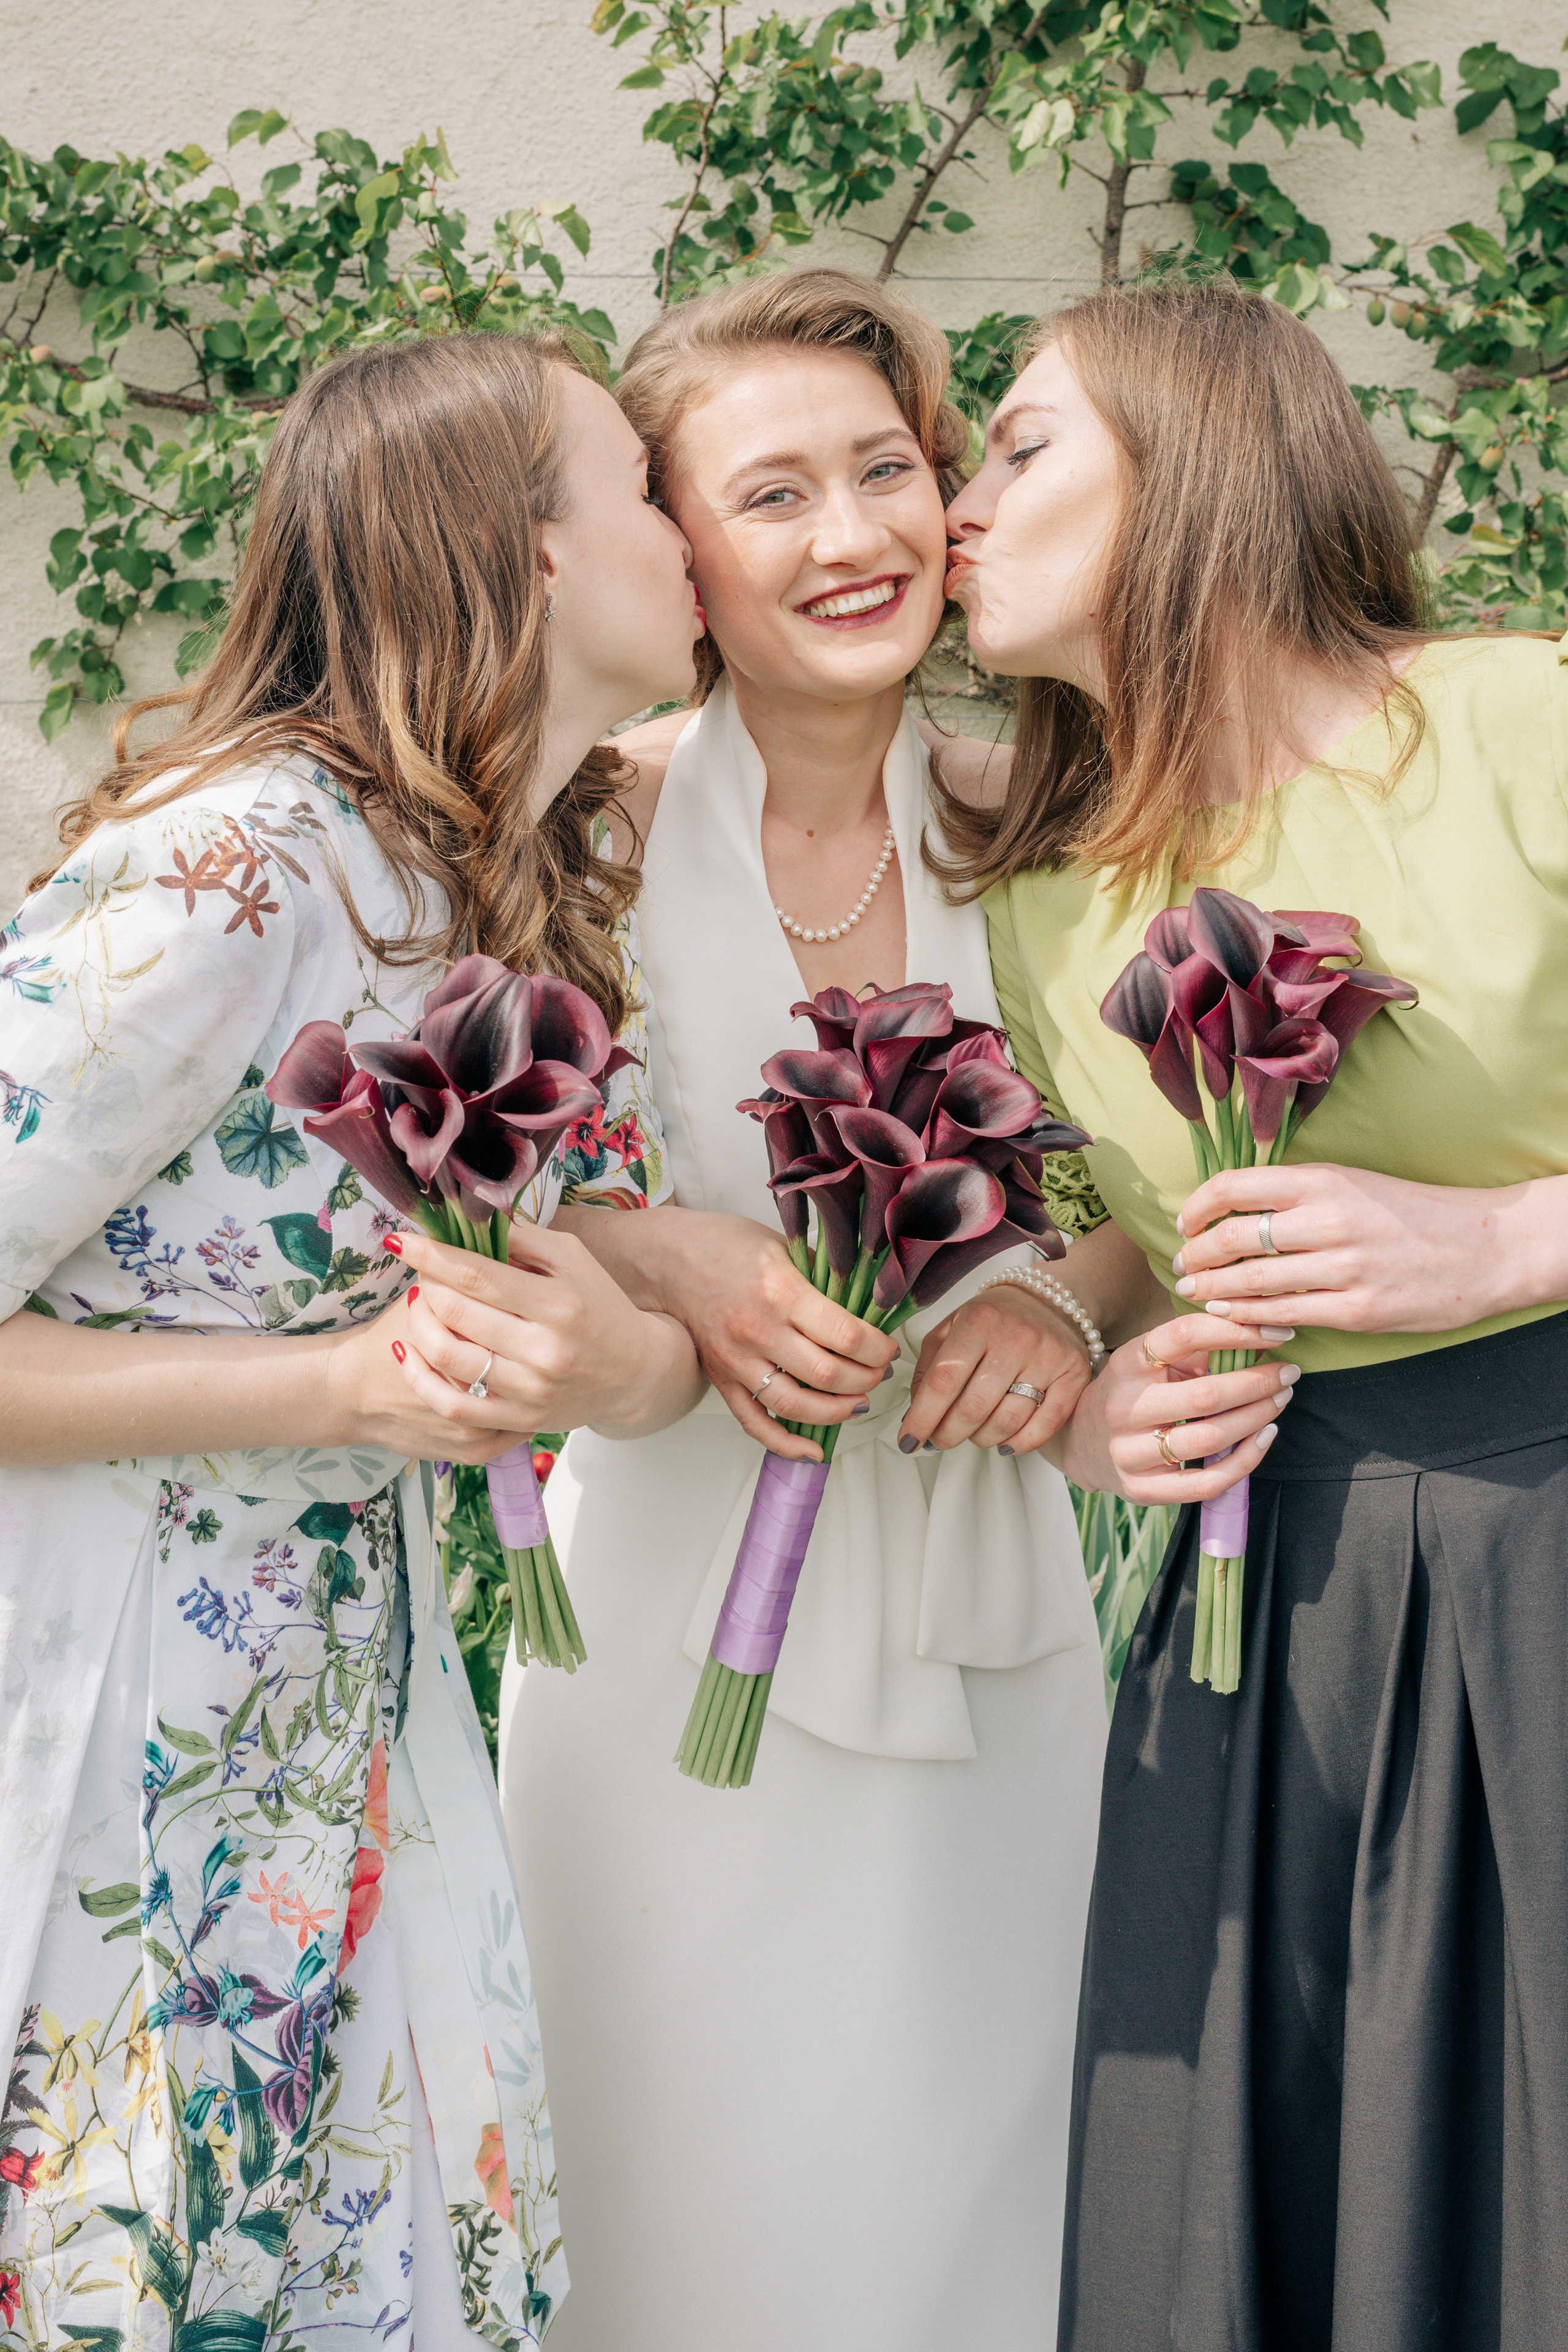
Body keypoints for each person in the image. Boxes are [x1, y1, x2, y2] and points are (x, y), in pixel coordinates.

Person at [496, 267, 1278, 2352]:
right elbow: (492, 1200)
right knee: (660, 2182)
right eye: (773, 494)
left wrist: (1070, 1311)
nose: (854, 537)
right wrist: (667, 1252)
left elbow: (1145, 1184)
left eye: (888, 472)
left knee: (976, 2190)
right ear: (677, 544)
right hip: (668, 1638)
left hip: (985, 1620)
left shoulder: (1050, 831)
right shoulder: (573, 837)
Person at [0, 330, 709, 2349]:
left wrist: (624, 1351)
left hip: (355, 1728)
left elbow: (618, 1280)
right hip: (116, 1721)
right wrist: (333, 1388)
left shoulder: (497, 873)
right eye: (643, 487)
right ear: (530, 555)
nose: (685, 530)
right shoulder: (240, 866)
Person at [939, 272, 1568, 2350]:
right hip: (1268, 1588)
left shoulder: (1513, 721)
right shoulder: (1051, 886)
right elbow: (1123, 1222)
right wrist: (1080, 1362)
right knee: (1238, 2195)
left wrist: (1505, 1248)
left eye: (1017, 446)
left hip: (1555, 1530)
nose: (958, 498)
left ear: (1198, 453)